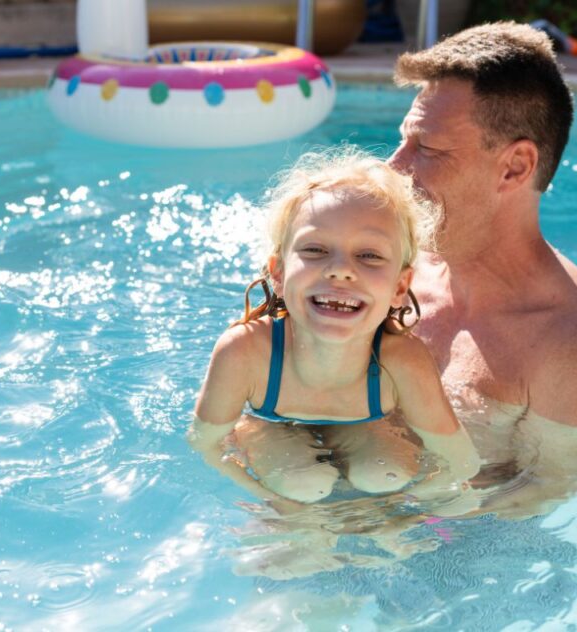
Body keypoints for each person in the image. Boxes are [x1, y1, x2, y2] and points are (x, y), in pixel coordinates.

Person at [387, 22, 577, 516]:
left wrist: (381, 528)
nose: (393, 167)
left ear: (514, 167)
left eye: (426, 148)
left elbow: (544, 496)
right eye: (403, 141)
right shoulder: (384, 269)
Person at [190, 148, 480, 506]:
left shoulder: (403, 362)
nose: (341, 269)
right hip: (272, 426)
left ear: (400, 287)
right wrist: (277, 505)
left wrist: (399, 512)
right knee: (300, 485)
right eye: (315, 250)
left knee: (385, 475)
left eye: (369, 255)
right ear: (278, 273)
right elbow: (206, 443)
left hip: (369, 427)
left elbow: (459, 459)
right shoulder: (245, 352)